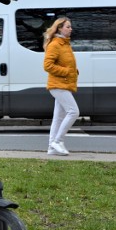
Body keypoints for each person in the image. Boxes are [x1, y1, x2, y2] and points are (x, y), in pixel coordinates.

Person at [43, 17, 79, 156]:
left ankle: (51, 148)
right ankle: (57, 141)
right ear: (59, 28)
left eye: (70, 27)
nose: (71, 29)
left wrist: (74, 71)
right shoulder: (55, 44)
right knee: (74, 112)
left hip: (64, 83)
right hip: (58, 85)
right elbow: (47, 65)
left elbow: (67, 63)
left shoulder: (65, 44)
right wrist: (66, 72)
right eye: (68, 27)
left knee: (58, 117)